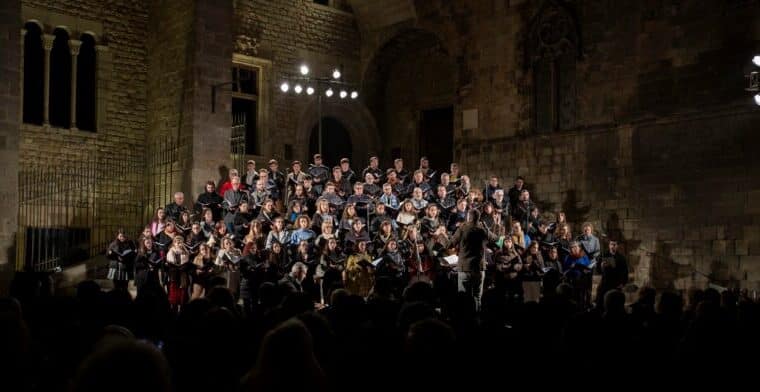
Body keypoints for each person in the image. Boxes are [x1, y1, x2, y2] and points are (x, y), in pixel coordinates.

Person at [446, 209, 498, 309]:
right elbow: (495, 239)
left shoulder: (462, 228)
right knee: (477, 297)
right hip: (479, 268)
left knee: (463, 298)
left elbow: (450, 244)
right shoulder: (482, 228)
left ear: (468, 217)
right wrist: (486, 228)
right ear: (479, 218)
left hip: (465, 267)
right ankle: (476, 320)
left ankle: (465, 320)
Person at [595, 239, 629, 308]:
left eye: (614, 245)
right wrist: (601, 266)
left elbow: (625, 272)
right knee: (600, 303)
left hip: (616, 284)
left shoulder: (621, 258)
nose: (612, 246)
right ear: (609, 245)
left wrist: (622, 283)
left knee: (615, 305)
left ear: (617, 246)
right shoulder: (603, 255)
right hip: (605, 283)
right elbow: (598, 270)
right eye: (611, 244)